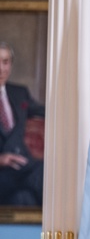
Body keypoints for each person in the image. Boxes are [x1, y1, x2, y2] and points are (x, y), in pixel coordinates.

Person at [0, 41, 44, 206]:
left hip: (24, 166)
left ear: (10, 65)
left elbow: (45, 111)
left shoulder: (19, 93)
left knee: (26, 197)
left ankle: (62, 225)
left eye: (5, 62)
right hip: (2, 172)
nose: (1, 68)